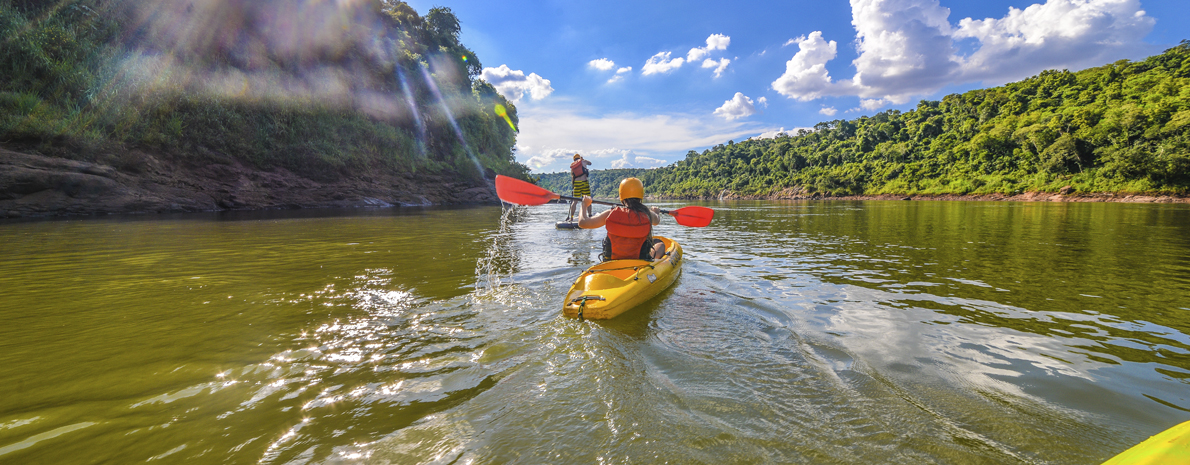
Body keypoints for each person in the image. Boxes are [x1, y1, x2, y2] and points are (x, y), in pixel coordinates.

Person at [578, 177, 665, 261]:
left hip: (612, 262)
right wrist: (656, 211)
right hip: (639, 261)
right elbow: (656, 221)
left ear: (621, 195)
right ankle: (654, 264)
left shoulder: (610, 214)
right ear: (641, 195)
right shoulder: (647, 213)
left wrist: (584, 205)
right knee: (659, 243)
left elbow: (582, 223)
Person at [568, 153, 593, 221]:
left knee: (575, 201)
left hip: (577, 183)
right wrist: (583, 159)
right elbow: (590, 163)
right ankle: (590, 216)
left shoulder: (573, 165)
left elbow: (573, 177)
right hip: (584, 182)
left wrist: (574, 187)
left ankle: (571, 217)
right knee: (588, 200)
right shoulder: (583, 161)